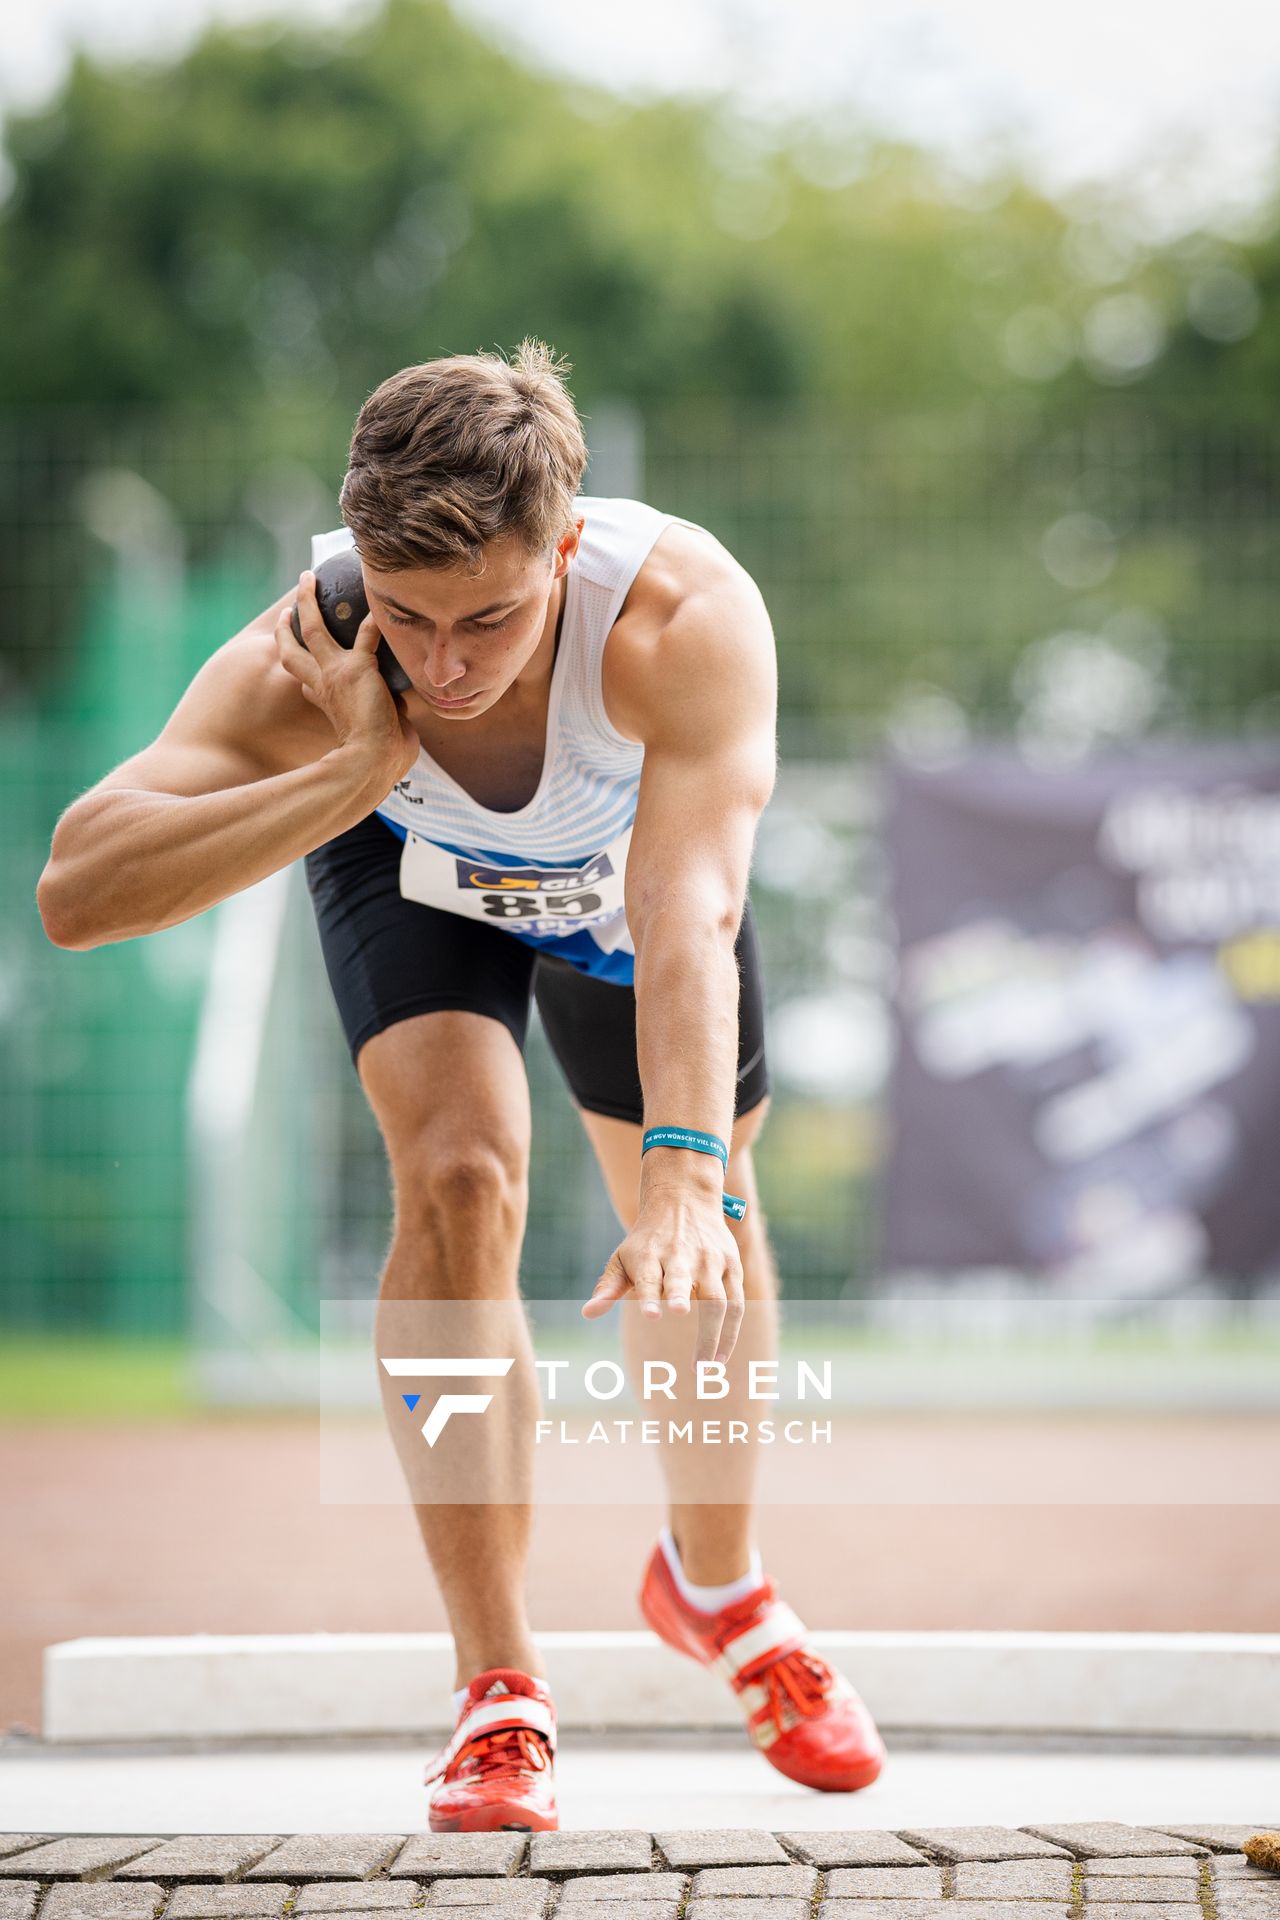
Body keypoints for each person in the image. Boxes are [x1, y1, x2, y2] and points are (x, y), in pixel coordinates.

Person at [36, 339, 885, 1831]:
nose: (443, 665)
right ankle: (498, 1687)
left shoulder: (682, 616)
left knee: (706, 1221)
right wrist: (346, 777)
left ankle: (719, 1589)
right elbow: (77, 892)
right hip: (412, 867)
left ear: (563, 546)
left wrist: (683, 1174)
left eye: (488, 617)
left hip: (631, 896)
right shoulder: (313, 653)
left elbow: (689, 907)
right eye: (410, 615)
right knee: (458, 1177)